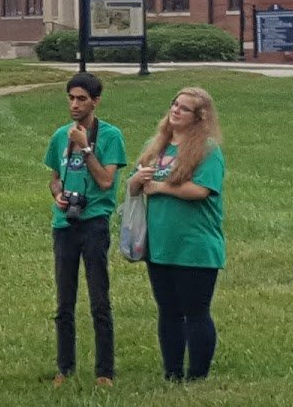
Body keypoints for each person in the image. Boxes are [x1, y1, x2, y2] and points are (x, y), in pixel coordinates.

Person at [126, 87, 226, 382]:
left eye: (184, 108)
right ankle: (171, 372)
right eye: (174, 104)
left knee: (195, 311)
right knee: (168, 310)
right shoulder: (157, 145)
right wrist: (136, 181)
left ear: (199, 117)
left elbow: (202, 190)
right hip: (159, 243)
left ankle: (197, 375)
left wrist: (162, 187)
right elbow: (135, 187)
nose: (176, 111)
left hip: (195, 244)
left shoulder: (207, 150)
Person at [43, 72, 127, 388]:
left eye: (81, 99)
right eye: (71, 98)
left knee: (98, 300)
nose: (75, 105)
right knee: (64, 302)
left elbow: (106, 181)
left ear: (95, 101)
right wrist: (57, 194)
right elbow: (54, 177)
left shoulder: (110, 136)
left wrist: (86, 149)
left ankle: (104, 371)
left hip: (94, 223)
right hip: (64, 225)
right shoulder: (59, 136)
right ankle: (65, 368)